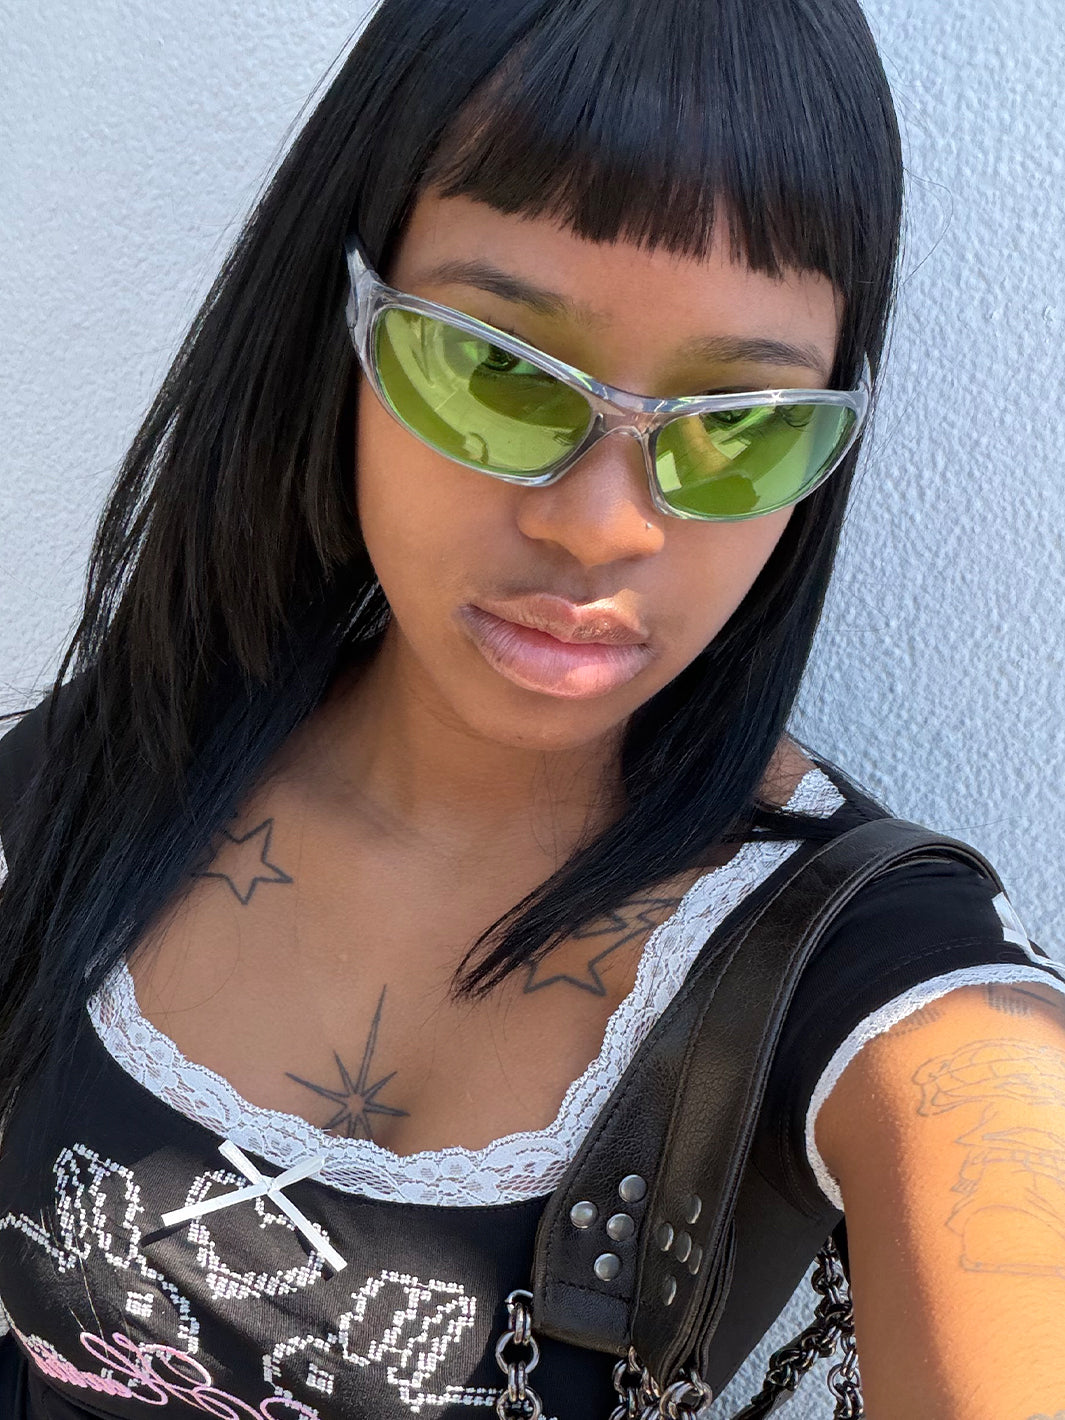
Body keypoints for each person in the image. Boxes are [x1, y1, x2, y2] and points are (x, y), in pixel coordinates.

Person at [0, 0, 1063, 1416]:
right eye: (498, 372)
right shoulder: (105, 769)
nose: (600, 526)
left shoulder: (875, 975)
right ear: (346, 323)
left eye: (738, 427)